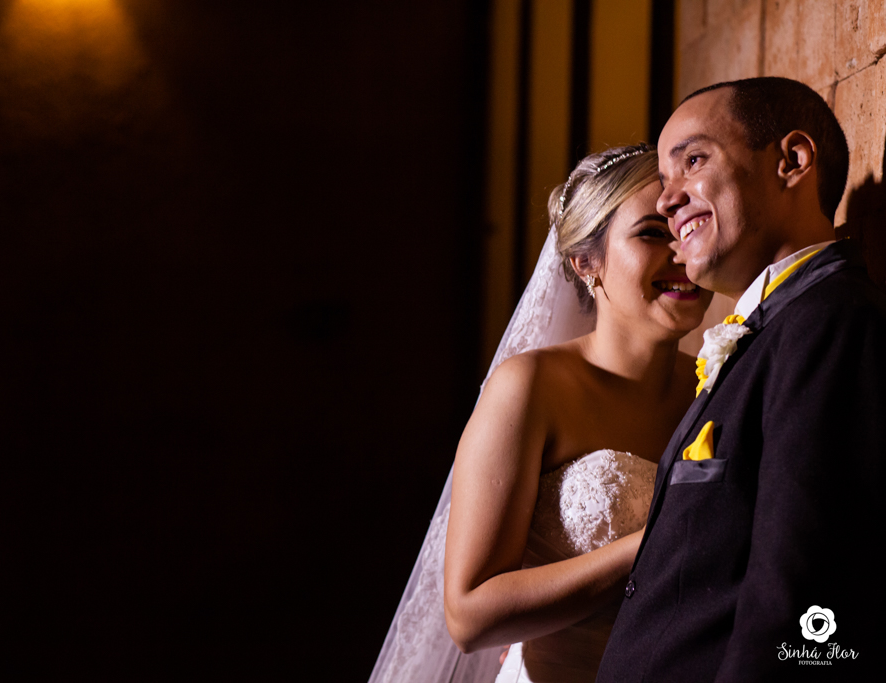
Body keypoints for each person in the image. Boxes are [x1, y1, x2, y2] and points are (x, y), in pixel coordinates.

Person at [369, 144, 712, 683]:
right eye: (651, 233)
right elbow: (469, 615)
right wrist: (651, 544)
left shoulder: (714, 386)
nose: (680, 253)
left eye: (687, 228)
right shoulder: (530, 387)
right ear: (586, 262)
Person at [597, 77, 886, 682]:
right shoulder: (772, 328)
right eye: (665, 180)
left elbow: (802, 587)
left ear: (793, 160)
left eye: (693, 162)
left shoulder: (827, 323)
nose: (665, 201)